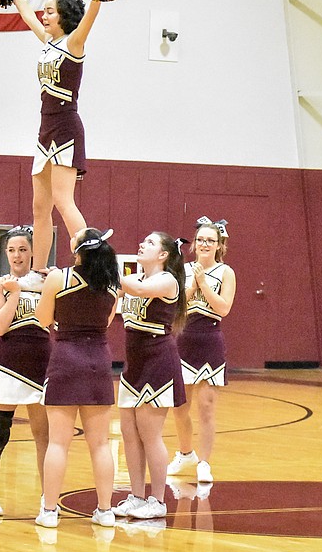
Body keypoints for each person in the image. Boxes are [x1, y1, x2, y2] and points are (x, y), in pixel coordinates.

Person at [33, 227, 121, 529]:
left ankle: (49, 511)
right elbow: (106, 323)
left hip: (65, 359)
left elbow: (43, 319)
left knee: (58, 443)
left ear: (76, 248)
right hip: (98, 359)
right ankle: (106, 511)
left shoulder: (60, 277)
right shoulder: (112, 285)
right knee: (101, 444)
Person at [10, 0, 103, 270]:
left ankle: (89, 263)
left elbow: (92, 15)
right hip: (45, 127)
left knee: (64, 200)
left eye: (50, 11)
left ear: (65, 16)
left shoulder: (74, 43)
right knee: (40, 208)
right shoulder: (48, 42)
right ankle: (38, 270)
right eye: (45, 10)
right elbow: (28, 16)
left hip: (66, 126)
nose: (44, 15)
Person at [114, 231, 187, 520]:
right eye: (142, 240)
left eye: (150, 243)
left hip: (158, 360)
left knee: (150, 434)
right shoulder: (137, 279)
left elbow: (140, 291)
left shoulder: (167, 280)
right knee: (129, 433)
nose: (142, 244)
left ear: (164, 255)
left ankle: (158, 500)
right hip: (134, 362)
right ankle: (136, 496)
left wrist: (106, 272)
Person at [0, 225, 49, 517]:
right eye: (12, 250)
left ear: (32, 251)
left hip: (43, 362)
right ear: (5, 252)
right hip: (8, 362)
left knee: (44, 435)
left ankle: (49, 496)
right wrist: (16, 294)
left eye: (22, 249)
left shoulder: (49, 283)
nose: (17, 255)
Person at [168, 217, 236, 484]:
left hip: (209, 339)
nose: (205, 244)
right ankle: (186, 453)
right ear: (194, 244)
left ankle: (205, 463)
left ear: (219, 245)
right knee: (179, 406)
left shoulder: (226, 272)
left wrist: (204, 285)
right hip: (182, 339)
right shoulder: (181, 270)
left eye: (211, 240)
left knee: (206, 406)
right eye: (201, 240)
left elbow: (223, 308)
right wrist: (193, 285)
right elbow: (173, 306)